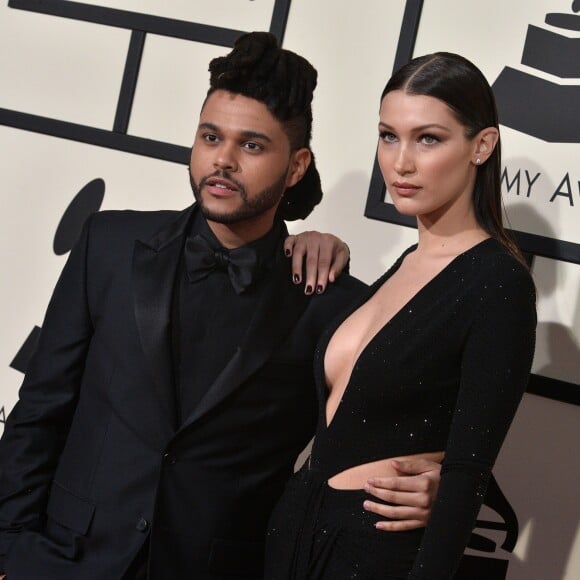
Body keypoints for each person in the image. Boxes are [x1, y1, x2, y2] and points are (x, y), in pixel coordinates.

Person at [0, 33, 441, 580]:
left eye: (252, 146)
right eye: (211, 137)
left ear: (297, 166)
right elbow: (41, 410)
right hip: (62, 563)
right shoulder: (108, 246)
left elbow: (374, 448)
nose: (223, 160)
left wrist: (437, 487)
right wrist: (10, 546)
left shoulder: (331, 305)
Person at [264, 51, 537, 579]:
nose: (400, 161)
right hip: (294, 536)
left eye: (428, 138)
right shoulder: (404, 265)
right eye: (389, 135)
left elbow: (467, 472)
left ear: (481, 145)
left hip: (377, 555)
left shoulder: (498, 284)